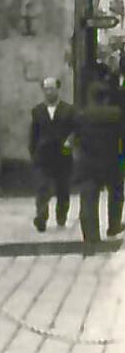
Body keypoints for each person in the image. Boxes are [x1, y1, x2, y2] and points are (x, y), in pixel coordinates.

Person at [69, 79, 125, 246]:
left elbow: (73, 139)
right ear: (106, 98)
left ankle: (91, 236)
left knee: (88, 199)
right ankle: (114, 225)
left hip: (88, 163)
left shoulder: (81, 116)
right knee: (116, 193)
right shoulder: (116, 114)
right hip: (112, 161)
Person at [29, 76, 75, 232]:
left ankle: (61, 218)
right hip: (44, 156)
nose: (49, 92)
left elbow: (75, 130)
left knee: (63, 189)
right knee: (42, 188)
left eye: (52, 88)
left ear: (58, 89)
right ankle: (41, 218)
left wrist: (70, 142)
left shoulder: (68, 110)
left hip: (63, 156)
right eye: (46, 89)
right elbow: (33, 134)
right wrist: (33, 153)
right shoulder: (38, 111)